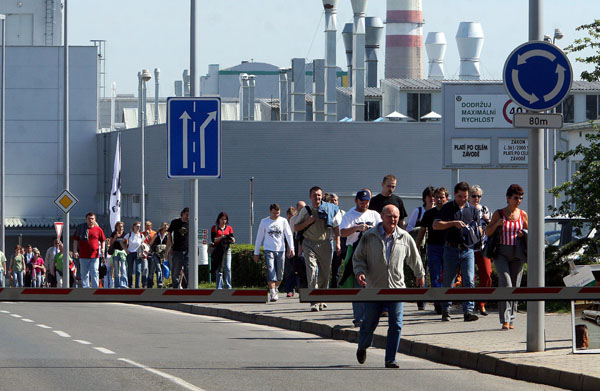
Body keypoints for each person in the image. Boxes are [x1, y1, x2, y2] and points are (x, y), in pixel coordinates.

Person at [353, 205, 425, 368]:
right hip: (374, 288)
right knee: (369, 322)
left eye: (396, 217)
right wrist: (359, 272)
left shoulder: (404, 237)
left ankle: (390, 358)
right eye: (390, 216)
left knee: (396, 324)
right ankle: (362, 346)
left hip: (397, 288)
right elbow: (358, 258)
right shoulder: (369, 236)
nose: (393, 220)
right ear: (382, 216)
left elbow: (414, 257)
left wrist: (419, 274)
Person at [433, 182, 480, 322]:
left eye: (465, 196)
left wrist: (476, 231)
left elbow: (480, 228)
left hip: (467, 249)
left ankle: (468, 311)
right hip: (451, 248)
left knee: (469, 280)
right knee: (448, 280)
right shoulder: (448, 208)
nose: (463, 199)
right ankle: (445, 309)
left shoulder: (473, 209)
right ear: (454, 195)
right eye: (460, 196)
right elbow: (436, 225)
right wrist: (453, 223)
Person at [485, 184, 528, 330]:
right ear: (508, 198)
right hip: (501, 253)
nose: (519, 201)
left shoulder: (522, 214)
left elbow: (531, 232)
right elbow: (488, 232)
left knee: (515, 286)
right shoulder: (499, 213)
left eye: (521, 198)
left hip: (518, 253)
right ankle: (505, 319)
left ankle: (512, 319)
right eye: (516, 198)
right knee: (506, 284)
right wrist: (497, 224)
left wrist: (524, 234)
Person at [294, 186, 341, 312]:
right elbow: (296, 228)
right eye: (314, 195)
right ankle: (314, 301)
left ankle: (322, 298)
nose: (317, 197)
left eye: (319, 195)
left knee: (325, 274)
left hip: (325, 244)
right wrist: (308, 222)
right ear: (310, 197)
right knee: (312, 272)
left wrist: (338, 242)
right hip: (309, 244)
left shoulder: (329, 209)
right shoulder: (306, 210)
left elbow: (336, 226)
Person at [339, 189, 382, 327]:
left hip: (373, 250)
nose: (365, 204)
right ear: (356, 201)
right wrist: (357, 228)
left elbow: (383, 229)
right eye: (362, 201)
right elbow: (342, 232)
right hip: (356, 251)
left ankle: (371, 317)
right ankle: (359, 318)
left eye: (367, 201)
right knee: (358, 283)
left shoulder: (374, 214)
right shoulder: (349, 215)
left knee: (372, 284)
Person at [416, 186, 449, 315]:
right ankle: (438, 303)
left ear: (446, 198)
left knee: (447, 276)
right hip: (433, 247)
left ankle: (446, 302)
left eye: (442, 197)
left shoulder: (450, 212)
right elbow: (422, 230)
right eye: (437, 197)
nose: (439, 200)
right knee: (435, 276)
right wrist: (417, 246)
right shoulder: (429, 213)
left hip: (448, 247)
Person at [254, 204, 294, 301]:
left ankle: (276, 288)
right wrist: (256, 252)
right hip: (268, 249)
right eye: (274, 213)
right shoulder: (264, 222)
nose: (276, 215)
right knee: (271, 270)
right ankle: (272, 291)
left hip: (280, 249)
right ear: (270, 212)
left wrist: (291, 247)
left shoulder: (283, 221)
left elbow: (288, 234)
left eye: (278, 213)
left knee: (280, 273)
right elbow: (259, 237)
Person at [469, 184, 492, 316]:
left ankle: (481, 303)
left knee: (487, 275)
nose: (476, 198)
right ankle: (469, 305)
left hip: (483, 247)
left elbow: (489, 225)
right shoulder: (465, 209)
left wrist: (488, 221)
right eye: (474, 196)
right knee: (470, 278)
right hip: (469, 248)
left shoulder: (485, 209)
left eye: (479, 196)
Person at [73, 212, 106, 288]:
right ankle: (86, 288)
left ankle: (95, 288)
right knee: (84, 273)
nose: (90, 220)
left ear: (95, 219)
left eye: (92, 219)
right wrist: (75, 250)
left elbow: (103, 240)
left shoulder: (98, 229)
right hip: (83, 255)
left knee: (95, 272)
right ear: (86, 219)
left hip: (95, 255)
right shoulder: (81, 228)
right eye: (89, 219)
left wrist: (103, 249)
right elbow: (75, 240)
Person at [211, 211, 235, 289]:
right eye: (222, 219)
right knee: (219, 268)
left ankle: (228, 286)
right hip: (218, 250)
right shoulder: (214, 228)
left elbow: (232, 238)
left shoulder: (229, 228)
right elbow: (213, 240)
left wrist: (231, 239)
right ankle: (219, 286)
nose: (223, 221)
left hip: (227, 249)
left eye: (225, 219)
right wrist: (222, 237)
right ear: (219, 219)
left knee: (228, 267)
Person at [167, 207, 190, 289]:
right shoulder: (175, 222)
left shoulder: (191, 223)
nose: (188, 216)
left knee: (188, 270)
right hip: (177, 250)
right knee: (176, 271)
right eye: (186, 214)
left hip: (187, 251)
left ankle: (188, 287)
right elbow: (169, 232)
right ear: (182, 214)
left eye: (189, 215)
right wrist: (171, 244)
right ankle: (175, 288)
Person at [281, 206, 299, 297]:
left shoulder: (296, 222)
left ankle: (294, 287)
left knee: (295, 268)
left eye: (291, 216)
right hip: (286, 247)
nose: (290, 218)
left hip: (295, 246)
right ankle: (290, 290)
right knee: (288, 269)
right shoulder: (284, 223)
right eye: (288, 216)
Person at [124, 221, 146, 288]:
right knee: (130, 270)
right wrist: (126, 250)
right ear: (133, 227)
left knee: (138, 270)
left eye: (139, 226)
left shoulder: (141, 235)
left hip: (138, 254)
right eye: (137, 226)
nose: (138, 228)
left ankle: (137, 286)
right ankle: (130, 285)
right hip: (130, 253)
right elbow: (122, 242)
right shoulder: (129, 234)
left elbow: (143, 243)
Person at [149, 222, 168, 288]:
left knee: (162, 268)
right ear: (162, 227)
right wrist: (155, 238)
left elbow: (169, 244)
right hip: (156, 253)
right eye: (165, 227)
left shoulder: (167, 235)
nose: (166, 229)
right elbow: (150, 244)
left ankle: (160, 282)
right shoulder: (157, 234)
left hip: (163, 255)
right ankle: (159, 283)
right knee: (158, 268)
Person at [109, 221, 128, 288]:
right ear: (116, 227)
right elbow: (110, 243)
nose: (121, 228)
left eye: (122, 226)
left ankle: (124, 284)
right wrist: (115, 237)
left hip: (123, 253)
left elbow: (127, 244)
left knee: (123, 268)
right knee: (116, 270)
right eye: (119, 226)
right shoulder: (113, 234)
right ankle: (117, 285)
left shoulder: (125, 234)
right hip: (115, 253)